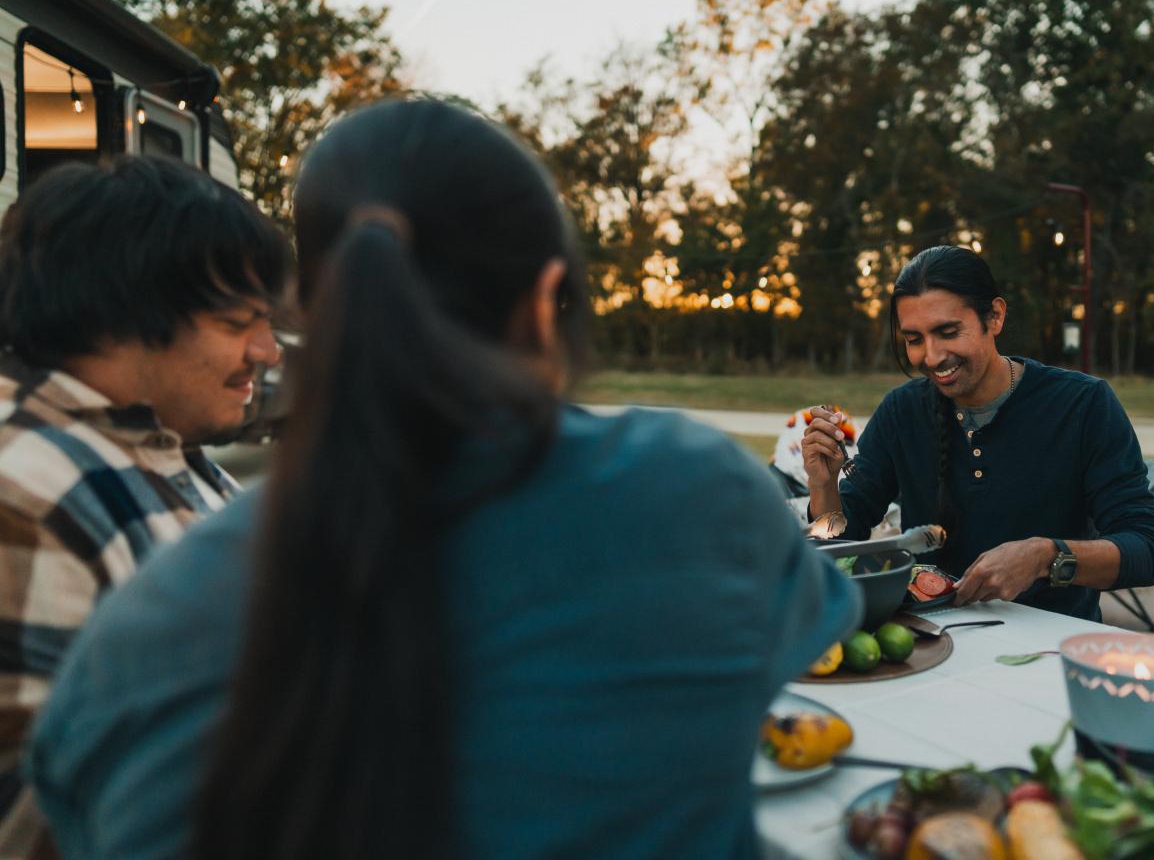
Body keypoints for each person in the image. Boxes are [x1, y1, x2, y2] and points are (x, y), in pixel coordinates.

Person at [26, 100, 859, 860]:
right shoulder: (693, 487)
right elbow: (808, 623)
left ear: (319, 309)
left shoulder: (136, 641)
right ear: (544, 299)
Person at [0, 156, 287, 856]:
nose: (268, 351)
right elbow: (24, 812)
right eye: (235, 322)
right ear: (118, 317)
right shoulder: (27, 488)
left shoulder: (161, 447)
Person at [803, 245, 1154, 621]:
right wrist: (823, 486)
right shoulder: (902, 412)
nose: (932, 356)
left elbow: (1145, 551)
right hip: (932, 640)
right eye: (914, 339)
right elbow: (838, 551)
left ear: (994, 316)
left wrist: (1045, 556)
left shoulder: (1083, 405)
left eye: (948, 331)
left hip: (1050, 643)